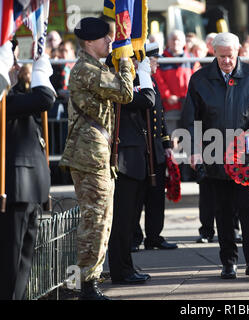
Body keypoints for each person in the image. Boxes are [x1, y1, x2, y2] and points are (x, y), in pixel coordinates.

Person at [182, 32, 249, 279]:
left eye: (230, 56)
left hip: (246, 157)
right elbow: (190, 119)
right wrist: (192, 150)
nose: (226, 61)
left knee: (248, 209)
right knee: (222, 212)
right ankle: (229, 263)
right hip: (215, 155)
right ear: (214, 53)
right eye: (221, 56)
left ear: (239, 52)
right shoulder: (200, 79)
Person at [59, 17, 133, 300]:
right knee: (94, 221)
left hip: (95, 154)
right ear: (89, 41)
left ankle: (86, 281)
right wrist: (125, 60)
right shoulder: (87, 70)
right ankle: (82, 284)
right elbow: (125, 93)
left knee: (101, 220)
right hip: (89, 155)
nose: (111, 43)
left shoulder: (94, 67)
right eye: (106, 38)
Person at [0, 50, 56, 300]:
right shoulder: (4, 99)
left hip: (30, 188)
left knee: (23, 265)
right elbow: (44, 98)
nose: (16, 64)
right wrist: (41, 69)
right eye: (11, 58)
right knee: (11, 269)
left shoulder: (11, 96)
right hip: (15, 190)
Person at [107, 53, 164, 284]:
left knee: (127, 220)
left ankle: (125, 267)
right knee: (122, 221)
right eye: (131, 63)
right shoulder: (116, 84)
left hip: (135, 159)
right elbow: (148, 99)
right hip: (124, 161)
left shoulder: (126, 84)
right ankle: (121, 270)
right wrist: (142, 73)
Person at [131, 50, 178, 252]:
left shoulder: (152, 82)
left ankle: (154, 236)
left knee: (156, 196)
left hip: (156, 147)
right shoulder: (132, 82)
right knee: (136, 197)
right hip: (140, 147)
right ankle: (134, 236)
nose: (157, 66)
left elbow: (161, 116)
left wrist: (166, 146)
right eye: (154, 62)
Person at [152, 30, 195, 135]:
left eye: (178, 39)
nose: (176, 42)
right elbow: (158, 79)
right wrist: (167, 96)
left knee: (189, 135)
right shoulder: (161, 60)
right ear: (168, 42)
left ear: (184, 42)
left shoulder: (192, 59)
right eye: (173, 39)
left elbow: (197, 79)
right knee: (171, 135)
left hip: (189, 104)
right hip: (170, 105)